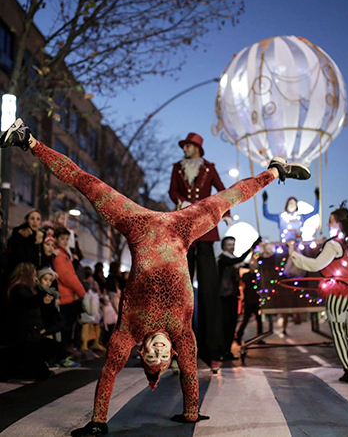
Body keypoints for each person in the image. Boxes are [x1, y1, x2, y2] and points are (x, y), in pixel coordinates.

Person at [1, 118, 310, 436]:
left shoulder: (128, 332)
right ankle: (274, 171)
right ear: (172, 352)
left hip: (139, 225)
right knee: (229, 198)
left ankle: (28, 141)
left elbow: (109, 373)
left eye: (151, 354)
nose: (157, 351)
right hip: (182, 227)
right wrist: (191, 412)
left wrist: (98, 422)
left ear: (141, 349)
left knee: (86, 183)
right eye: (162, 356)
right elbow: (190, 375)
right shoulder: (182, 336)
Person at [288, 206, 348, 383]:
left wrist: (293, 254)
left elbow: (315, 266)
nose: (329, 225)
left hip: (338, 293)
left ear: (339, 224)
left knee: (338, 333)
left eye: (330, 221)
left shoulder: (334, 244)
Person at [169, 132, 232, 370]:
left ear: (197, 148)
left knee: (209, 291)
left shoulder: (209, 168)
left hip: (205, 231)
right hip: (184, 229)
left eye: (188, 146)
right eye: (184, 145)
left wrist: (226, 213)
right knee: (180, 291)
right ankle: (177, 351)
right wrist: (181, 203)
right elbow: (172, 190)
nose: (185, 148)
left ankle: (212, 350)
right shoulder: (177, 167)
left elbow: (222, 191)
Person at [218, 236, 260, 360]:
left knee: (232, 324)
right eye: (229, 245)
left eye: (233, 244)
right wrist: (252, 246)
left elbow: (249, 266)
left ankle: (227, 351)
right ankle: (222, 351)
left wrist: (255, 253)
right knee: (226, 324)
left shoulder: (233, 260)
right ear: (224, 247)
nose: (232, 247)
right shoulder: (223, 259)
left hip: (233, 295)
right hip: (224, 296)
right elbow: (239, 260)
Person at [53, 226, 86, 350]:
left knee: (66, 327)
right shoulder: (60, 255)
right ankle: (63, 353)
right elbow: (67, 276)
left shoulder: (63, 253)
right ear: (56, 239)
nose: (65, 241)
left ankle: (65, 352)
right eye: (62, 239)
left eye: (67, 239)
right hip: (64, 296)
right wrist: (81, 291)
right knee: (65, 327)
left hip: (67, 295)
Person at [236, 270, 263, 345]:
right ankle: (259, 337)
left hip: (249, 300)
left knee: (246, 320)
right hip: (253, 300)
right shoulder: (256, 277)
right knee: (257, 319)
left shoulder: (246, 277)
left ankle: (239, 336)